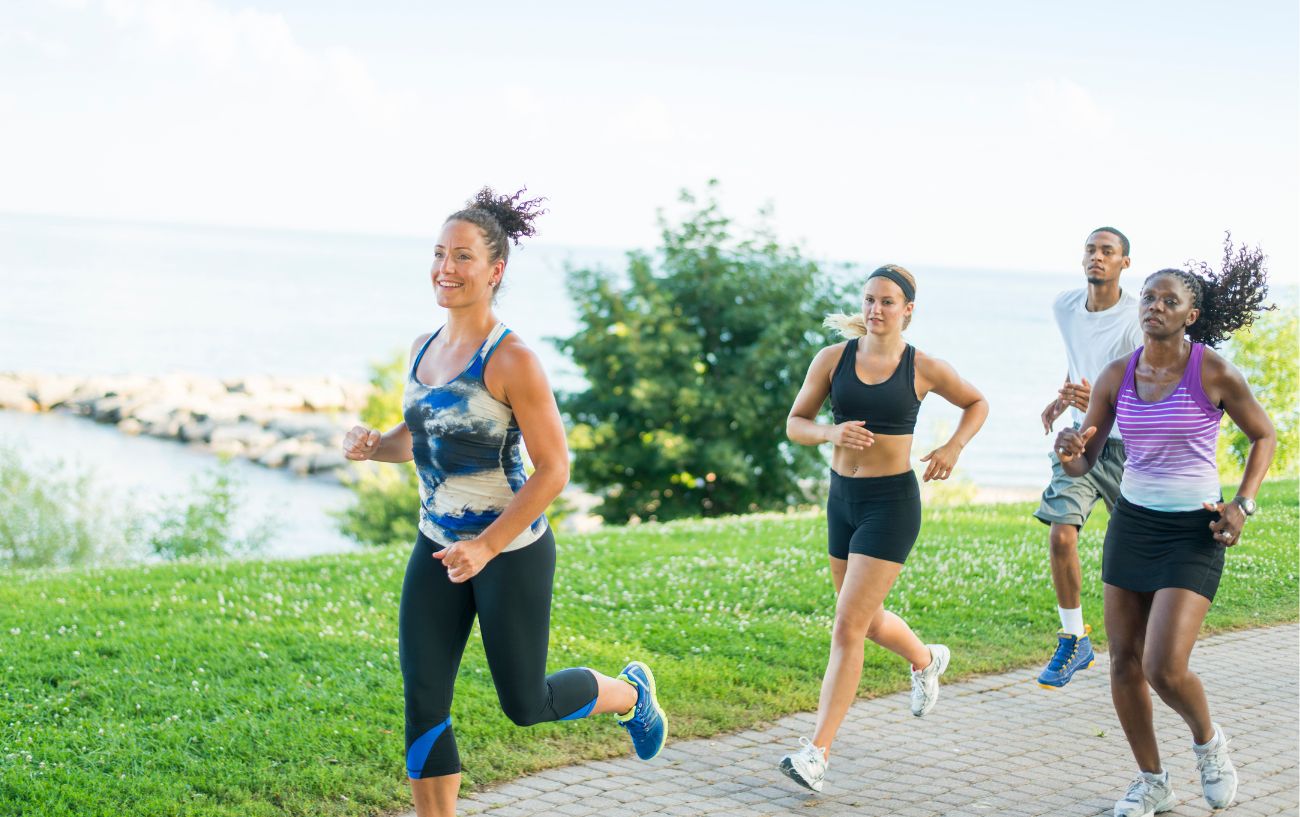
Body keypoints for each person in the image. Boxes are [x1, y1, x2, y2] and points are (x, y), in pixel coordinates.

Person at [341, 188, 666, 817]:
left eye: (462, 256)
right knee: (424, 698)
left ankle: (629, 695)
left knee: (524, 703)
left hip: (509, 550)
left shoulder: (513, 360)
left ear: (495, 270)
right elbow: (425, 437)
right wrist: (375, 444)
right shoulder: (423, 347)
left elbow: (554, 469)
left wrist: (486, 546)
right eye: (439, 254)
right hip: (437, 546)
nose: (445, 268)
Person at [1053, 240, 1275, 817]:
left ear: (1189, 315)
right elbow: (1085, 458)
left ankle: (1209, 744)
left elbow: (1264, 435)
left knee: (1163, 666)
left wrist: (1242, 505)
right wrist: (1068, 448)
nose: (1153, 306)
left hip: (1192, 532)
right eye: (1148, 297)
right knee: (1124, 662)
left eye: (1167, 300)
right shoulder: (1116, 374)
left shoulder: (1214, 370)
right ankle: (1152, 780)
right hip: (1133, 524)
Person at [777, 264, 988, 793]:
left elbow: (976, 403)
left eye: (888, 302)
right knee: (864, 622)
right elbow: (795, 423)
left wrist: (952, 446)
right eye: (870, 299)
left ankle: (816, 754)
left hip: (890, 505)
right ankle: (925, 658)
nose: (875, 309)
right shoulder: (833, 359)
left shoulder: (924, 367)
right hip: (841, 501)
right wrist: (831, 431)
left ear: (908, 311)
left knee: (847, 626)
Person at [1035, 227, 1144, 688]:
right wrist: (1066, 396)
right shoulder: (1064, 307)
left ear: (1124, 263)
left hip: (1130, 447)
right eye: (1091, 250)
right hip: (1082, 443)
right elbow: (1080, 356)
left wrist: (1101, 395)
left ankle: (1145, 643)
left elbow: (1152, 383)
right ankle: (1075, 637)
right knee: (1061, 535)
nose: (1097, 257)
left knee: (1140, 550)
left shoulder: (1138, 317)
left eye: (1108, 252)